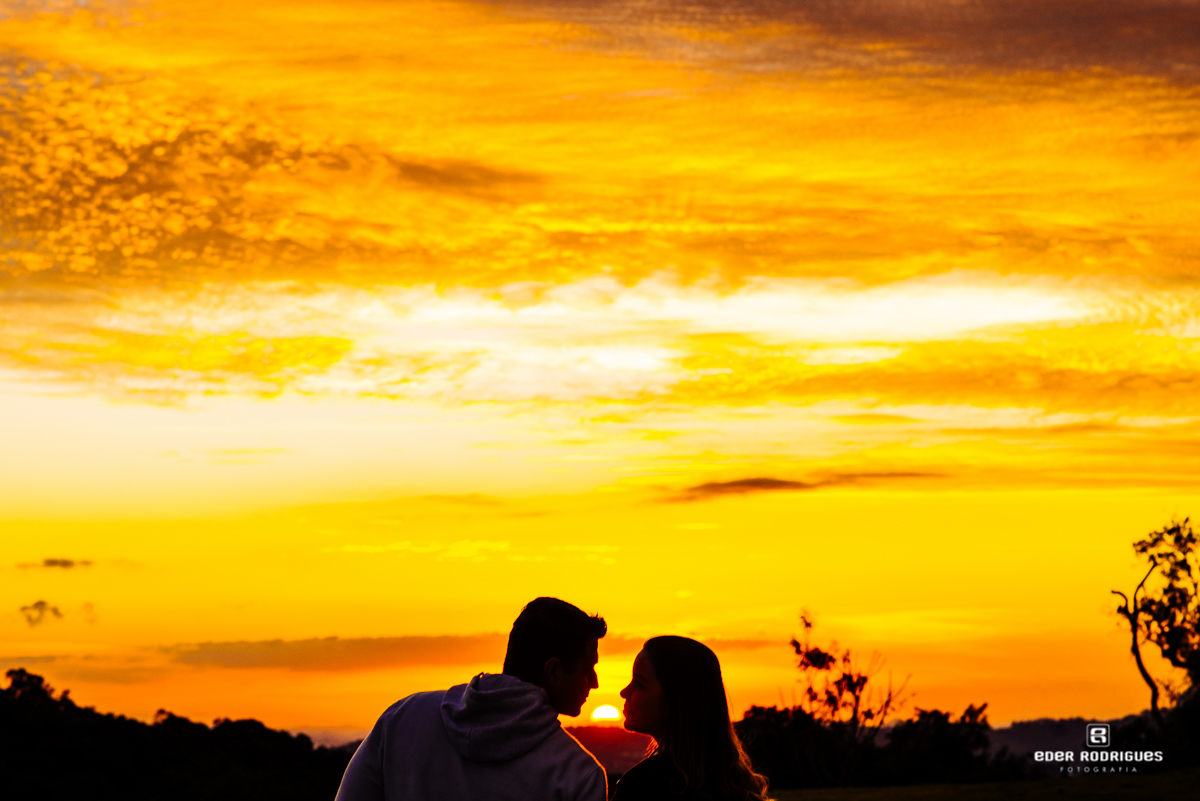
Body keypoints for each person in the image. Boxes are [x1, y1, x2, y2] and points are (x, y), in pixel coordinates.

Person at [335, 597, 609, 801]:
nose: (595, 682)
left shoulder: (404, 718)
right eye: (588, 670)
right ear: (554, 671)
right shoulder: (577, 775)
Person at [613, 636, 769, 801]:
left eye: (639, 684)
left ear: (677, 700)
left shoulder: (641, 787)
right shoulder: (737, 786)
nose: (624, 692)